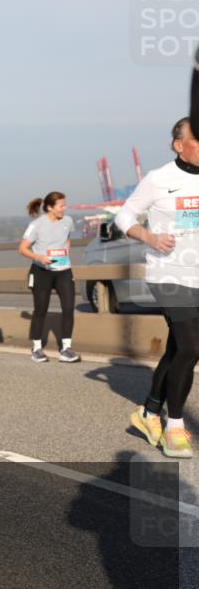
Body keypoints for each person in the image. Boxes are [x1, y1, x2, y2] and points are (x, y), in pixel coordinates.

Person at [118, 117, 199, 459]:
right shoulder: (159, 178)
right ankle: (175, 427)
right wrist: (150, 237)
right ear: (178, 144)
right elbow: (124, 216)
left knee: (179, 348)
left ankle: (149, 412)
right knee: (192, 346)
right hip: (168, 274)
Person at [19, 192, 80, 363]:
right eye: (61, 205)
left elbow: (67, 239)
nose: (64, 208)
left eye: (64, 204)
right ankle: (37, 348)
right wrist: (39, 258)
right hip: (41, 271)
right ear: (50, 207)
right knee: (41, 310)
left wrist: (66, 252)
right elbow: (22, 248)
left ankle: (66, 348)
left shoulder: (68, 221)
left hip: (63, 270)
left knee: (68, 308)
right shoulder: (36, 225)